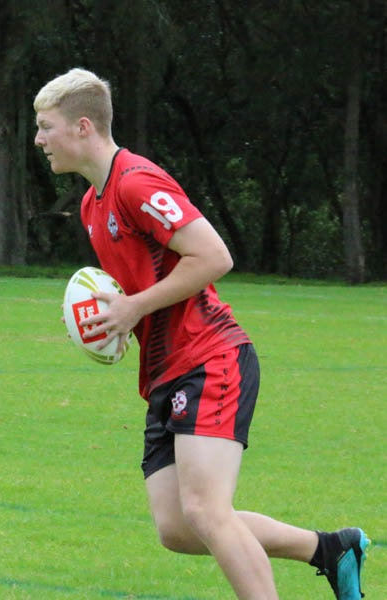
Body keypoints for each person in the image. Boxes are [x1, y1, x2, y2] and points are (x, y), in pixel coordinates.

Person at [33, 68, 368, 599]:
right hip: (167, 370)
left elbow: (214, 256)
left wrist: (133, 307)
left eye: (45, 126)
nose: (38, 139)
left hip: (210, 357)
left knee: (207, 511)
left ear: (82, 127)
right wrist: (112, 322)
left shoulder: (135, 183)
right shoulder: (92, 206)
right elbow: (146, 285)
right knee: (177, 527)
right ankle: (329, 550)